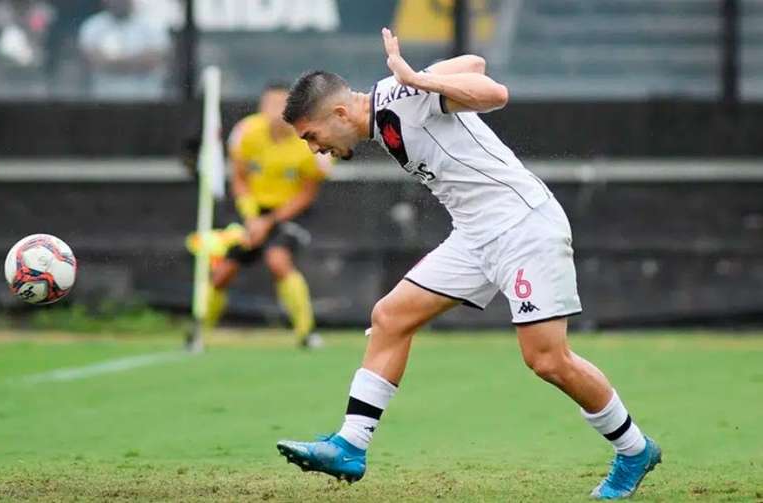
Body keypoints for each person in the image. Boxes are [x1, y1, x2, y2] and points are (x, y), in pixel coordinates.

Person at [275, 28, 661, 499]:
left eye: (312, 136)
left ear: (338, 113)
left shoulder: (404, 94)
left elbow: (495, 93)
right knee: (390, 317)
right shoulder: (393, 99)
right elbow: (475, 62)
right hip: (475, 237)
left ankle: (634, 449)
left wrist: (422, 80)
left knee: (546, 359)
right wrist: (425, 77)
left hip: (523, 227)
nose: (315, 149)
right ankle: (350, 445)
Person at [188, 82, 329, 349]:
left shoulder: (309, 139)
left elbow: (307, 194)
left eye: (280, 105)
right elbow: (239, 178)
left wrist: (269, 222)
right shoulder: (247, 132)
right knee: (223, 271)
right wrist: (251, 217)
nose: (273, 111)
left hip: (290, 214)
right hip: (253, 212)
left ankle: (306, 333)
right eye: (268, 105)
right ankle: (198, 333)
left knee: (278, 261)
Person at [78, 0, 170, 99]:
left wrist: (111, 63)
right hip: (104, 101)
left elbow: (153, 60)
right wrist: (136, 61)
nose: (118, 2)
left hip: (146, 100)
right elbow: (92, 60)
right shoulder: (93, 25)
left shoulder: (153, 24)